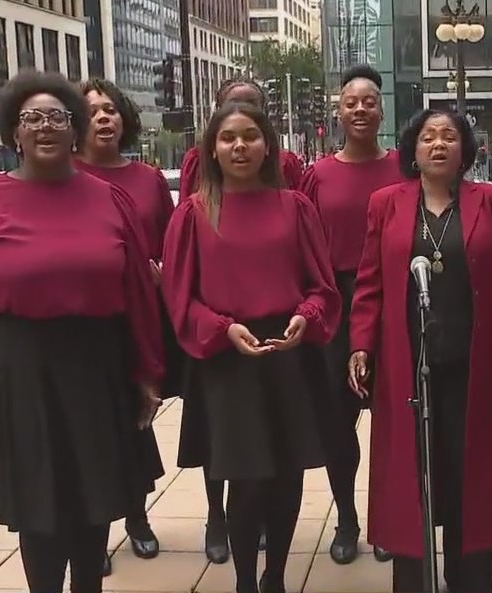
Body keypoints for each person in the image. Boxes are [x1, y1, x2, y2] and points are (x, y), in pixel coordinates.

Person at [0, 69, 163, 593]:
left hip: (98, 368)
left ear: (74, 128)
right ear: (13, 131)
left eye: (57, 117)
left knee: (95, 499)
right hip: (21, 375)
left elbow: (138, 293)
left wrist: (146, 370)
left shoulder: (109, 199)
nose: (45, 126)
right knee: (39, 509)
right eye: (32, 117)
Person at [162, 101, 340, 593]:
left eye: (250, 136)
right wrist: (221, 329)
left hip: (287, 354)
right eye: (228, 138)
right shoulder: (194, 213)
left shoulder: (295, 207)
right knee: (246, 479)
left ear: (267, 146)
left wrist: (307, 315)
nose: (239, 146)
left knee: (287, 475)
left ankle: (275, 577)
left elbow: (322, 286)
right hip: (229, 362)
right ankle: (245, 581)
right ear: (212, 149)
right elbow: (179, 296)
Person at [347, 108, 492, 593]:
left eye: (449, 136)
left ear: (465, 150)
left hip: (473, 368)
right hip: (409, 367)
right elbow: (369, 283)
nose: (439, 144)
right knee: (412, 479)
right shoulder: (386, 203)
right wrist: (360, 344)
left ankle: (469, 580)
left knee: (470, 477)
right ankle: (414, 582)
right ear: (413, 150)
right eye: (429, 137)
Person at [298, 64, 402, 564]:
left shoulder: (405, 168)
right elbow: (302, 246)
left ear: (382, 110)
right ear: (338, 111)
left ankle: (390, 521)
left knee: (395, 423)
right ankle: (346, 518)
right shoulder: (317, 176)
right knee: (339, 423)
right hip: (336, 302)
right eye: (351, 102)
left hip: (394, 301)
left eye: (370, 101)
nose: (360, 109)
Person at [75, 77, 177, 575]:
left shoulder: (148, 178)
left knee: (136, 418)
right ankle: (91, 531)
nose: (103, 117)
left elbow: (174, 240)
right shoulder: (64, 176)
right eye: (92, 110)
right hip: (87, 322)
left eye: (111, 109)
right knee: (89, 429)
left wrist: (163, 271)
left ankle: (136, 516)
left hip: (141, 316)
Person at [179, 76, 304, 195]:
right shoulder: (196, 162)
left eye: (251, 105)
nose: (242, 111)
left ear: (264, 112)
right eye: (233, 104)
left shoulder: (286, 163)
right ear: (218, 111)